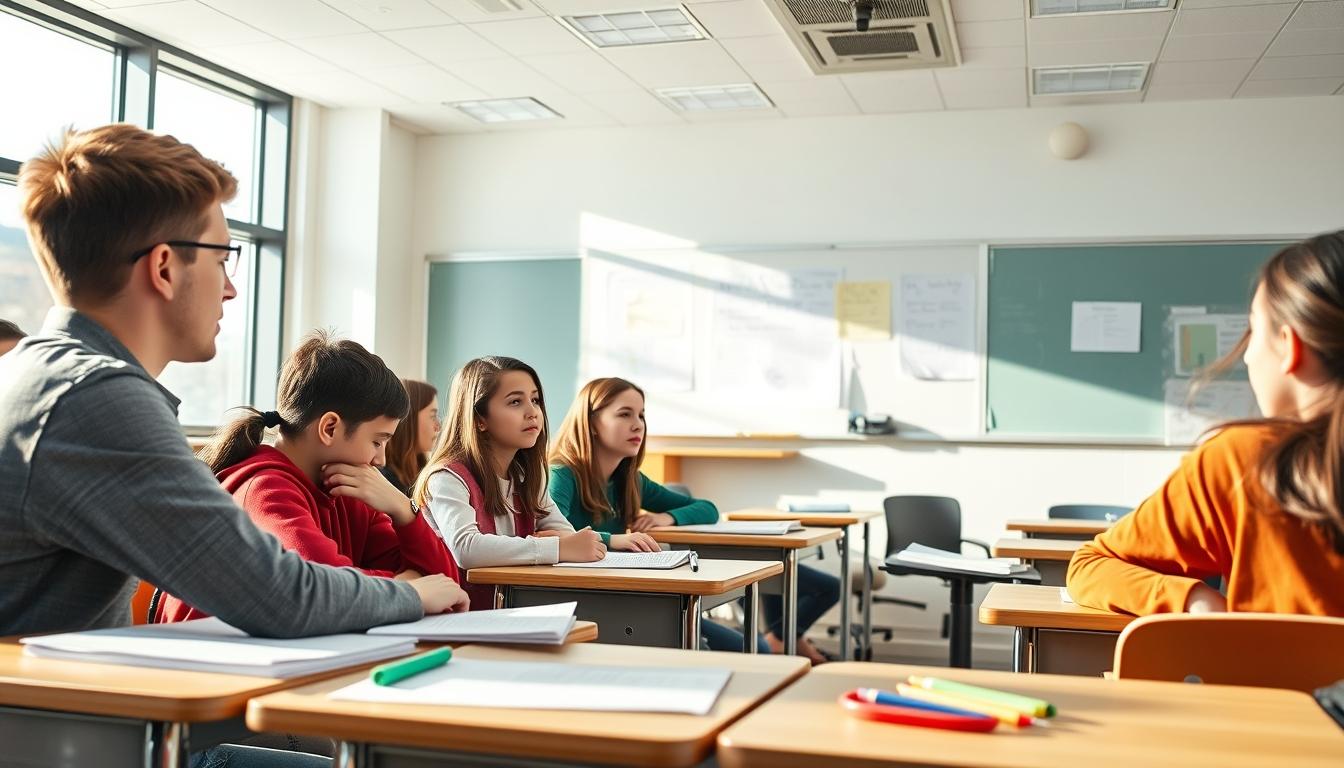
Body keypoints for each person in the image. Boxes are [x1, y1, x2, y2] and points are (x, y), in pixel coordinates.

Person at [1068, 231, 1344, 616]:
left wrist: (1197, 602)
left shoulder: (1243, 462)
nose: (1247, 357)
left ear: (1288, 346)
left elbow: (1089, 567)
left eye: (1253, 331)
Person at [156, 333, 468, 622]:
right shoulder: (265, 489)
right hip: (216, 666)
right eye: (377, 441)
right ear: (329, 428)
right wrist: (408, 588)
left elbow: (445, 588)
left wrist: (403, 509)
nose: (380, 459)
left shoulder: (350, 488)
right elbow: (323, 591)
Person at [550, 377, 841, 661]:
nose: (638, 424)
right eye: (624, 414)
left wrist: (668, 517)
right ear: (590, 423)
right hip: (589, 600)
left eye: (641, 415)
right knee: (747, 650)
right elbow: (550, 533)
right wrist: (613, 539)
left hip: (631, 591)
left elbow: (707, 508)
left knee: (759, 650)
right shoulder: (562, 475)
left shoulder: (630, 481)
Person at [415, 356, 606, 610]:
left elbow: (567, 535)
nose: (533, 412)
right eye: (516, 402)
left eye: (535, 400)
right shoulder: (447, 477)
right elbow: (467, 549)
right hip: (456, 618)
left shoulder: (526, 476)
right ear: (480, 419)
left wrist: (560, 544)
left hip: (507, 612)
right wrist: (555, 547)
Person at [380, 379, 439, 496]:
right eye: (433, 416)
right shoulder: (383, 482)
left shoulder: (424, 475)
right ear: (408, 419)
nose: (438, 426)